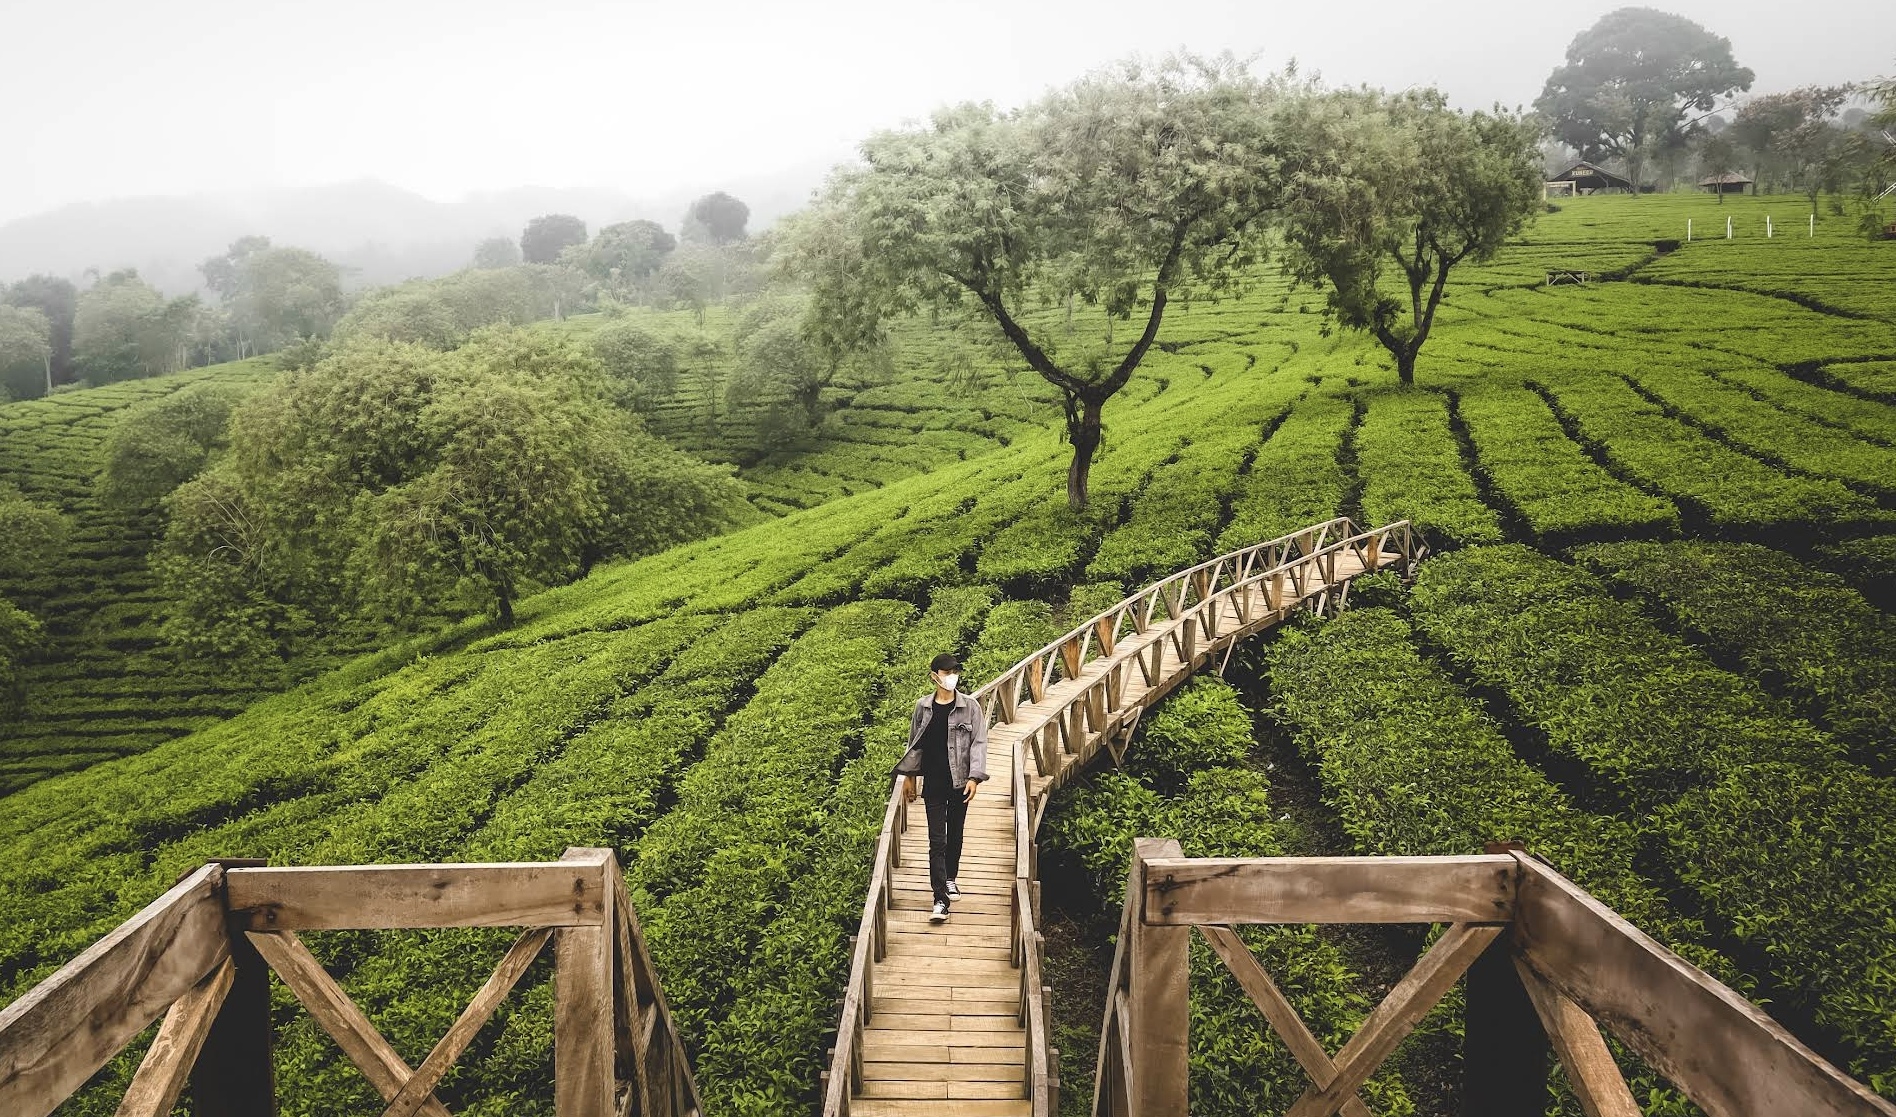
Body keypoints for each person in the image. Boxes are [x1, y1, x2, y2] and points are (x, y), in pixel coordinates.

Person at [891, 653, 989, 923]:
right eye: (946, 672)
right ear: (934, 676)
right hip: (933, 782)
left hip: (960, 783)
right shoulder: (922, 707)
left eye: (955, 672)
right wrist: (909, 776)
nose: (951, 677)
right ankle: (939, 900)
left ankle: (950, 878)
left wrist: (975, 777)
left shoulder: (970, 707)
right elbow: (914, 744)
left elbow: (979, 743)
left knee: (955, 834)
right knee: (938, 840)